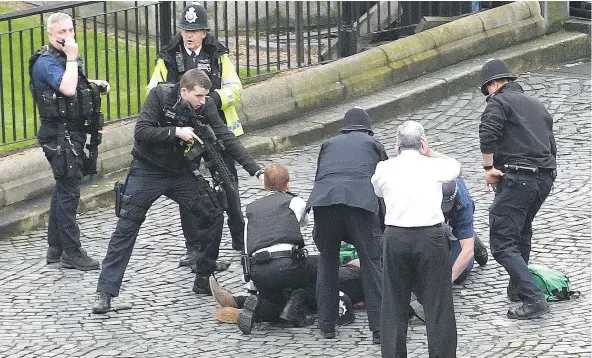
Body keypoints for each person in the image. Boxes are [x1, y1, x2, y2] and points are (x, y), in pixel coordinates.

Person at [92, 69, 262, 314]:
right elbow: (141, 131)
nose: (203, 101)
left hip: (181, 171)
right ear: (184, 91)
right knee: (126, 226)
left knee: (213, 212)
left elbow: (227, 138)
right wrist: (175, 132)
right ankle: (105, 292)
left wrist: (256, 171)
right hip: (147, 169)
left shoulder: (206, 106)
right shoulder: (159, 97)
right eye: (199, 96)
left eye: (205, 96)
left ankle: (203, 276)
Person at [148, 3, 246, 267]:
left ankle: (239, 238)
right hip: (184, 132)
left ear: (204, 32)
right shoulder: (168, 54)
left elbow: (235, 87)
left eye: (194, 30)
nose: (188, 35)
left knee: (228, 184)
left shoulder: (217, 53)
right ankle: (193, 248)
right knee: (187, 190)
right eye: (185, 30)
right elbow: (154, 89)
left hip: (216, 129)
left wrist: (212, 99)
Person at [372, 120, 460, 358]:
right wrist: (430, 153)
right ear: (422, 142)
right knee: (438, 302)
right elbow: (455, 167)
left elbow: (378, 191)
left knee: (393, 301)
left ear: (397, 145)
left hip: (396, 235)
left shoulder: (383, 168)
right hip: (430, 236)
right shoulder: (433, 166)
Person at [30, 12, 109, 271]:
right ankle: (71, 252)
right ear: (50, 35)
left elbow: (74, 85)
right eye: (61, 32)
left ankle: (55, 248)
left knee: (63, 187)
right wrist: (73, 57)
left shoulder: (64, 58)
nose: (67, 36)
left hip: (69, 133)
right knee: (69, 192)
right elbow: (66, 89)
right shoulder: (46, 62)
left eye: (70, 31)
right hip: (59, 135)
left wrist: (93, 84)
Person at [479, 58, 556, 320]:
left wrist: (489, 169)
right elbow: (551, 147)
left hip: (518, 178)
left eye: (488, 88)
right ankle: (518, 288)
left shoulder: (498, 102)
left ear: (495, 84)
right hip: (544, 179)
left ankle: (533, 299)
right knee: (521, 230)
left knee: (502, 242)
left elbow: (487, 134)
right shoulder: (538, 105)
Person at [306, 107, 386, 344]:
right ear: (367, 130)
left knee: (327, 262)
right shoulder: (374, 145)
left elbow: (319, 178)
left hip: (325, 203)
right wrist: (381, 226)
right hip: (360, 204)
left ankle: (327, 325)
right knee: (372, 264)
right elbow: (383, 188)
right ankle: (380, 330)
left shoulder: (328, 144)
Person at [230, 163, 318, 335]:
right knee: (321, 266)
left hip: (259, 271)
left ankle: (257, 305)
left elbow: (247, 248)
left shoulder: (251, 209)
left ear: (264, 185)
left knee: (275, 301)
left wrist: (252, 288)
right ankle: (296, 303)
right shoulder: (294, 201)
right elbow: (304, 221)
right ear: (288, 184)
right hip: (288, 265)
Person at [210, 258, 362, 327]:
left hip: (344, 279)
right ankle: (240, 305)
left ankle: (239, 303)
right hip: (340, 280)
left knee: (293, 295)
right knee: (293, 297)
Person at [442, 177, 489, 284]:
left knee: (459, 274)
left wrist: (447, 283)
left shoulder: (463, 202)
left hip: (458, 217)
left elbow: (467, 250)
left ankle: (469, 236)